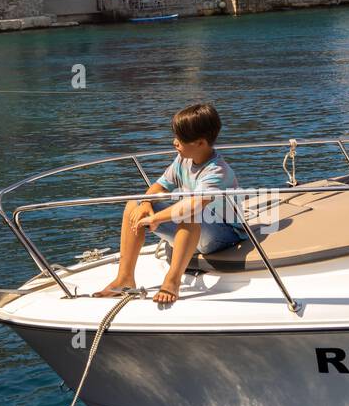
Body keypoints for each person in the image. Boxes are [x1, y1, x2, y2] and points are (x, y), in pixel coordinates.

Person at [95, 102, 244, 307]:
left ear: (200, 143)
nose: (175, 142)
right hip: (198, 231)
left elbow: (194, 205)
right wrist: (146, 203)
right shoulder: (183, 160)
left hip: (225, 236)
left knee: (190, 212)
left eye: (181, 139)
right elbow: (160, 185)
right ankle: (124, 278)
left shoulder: (217, 171)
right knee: (133, 204)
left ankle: (172, 281)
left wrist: (155, 218)